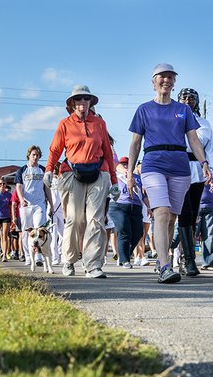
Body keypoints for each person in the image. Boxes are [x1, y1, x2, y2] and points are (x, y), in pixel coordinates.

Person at [127, 64, 211, 284]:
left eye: (171, 77)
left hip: (180, 167)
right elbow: (135, 143)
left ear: (174, 83)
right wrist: (129, 174)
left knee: (172, 216)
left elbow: (193, 138)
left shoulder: (183, 110)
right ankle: (165, 266)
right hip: (153, 164)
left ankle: (161, 260)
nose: (166, 80)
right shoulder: (144, 109)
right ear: (154, 81)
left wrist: (204, 163)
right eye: (162, 77)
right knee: (162, 212)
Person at [44, 85, 117, 279]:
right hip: (72, 173)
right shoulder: (65, 124)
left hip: (99, 173)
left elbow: (108, 153)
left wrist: (115, 180)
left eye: (86, 99)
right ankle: (69, 260)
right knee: (74, 219)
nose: (82, 102)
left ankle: (93, 264)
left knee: (95, 219)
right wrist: (49, 170)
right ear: (72, 104)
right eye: (78, 99)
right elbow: (55, 150)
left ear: (90, 102)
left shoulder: (99, 123)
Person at [174, 87, 213, 276]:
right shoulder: (173, 119)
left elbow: (211, 146)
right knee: (183, 212)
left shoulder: (204, 123)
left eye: (191, 97)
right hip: (178, 166)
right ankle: (188, 260)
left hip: (197, 169)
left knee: (193, 214)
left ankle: (185, 257)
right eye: (184, 97)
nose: (187, 99)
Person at [15, 145, 53, 267]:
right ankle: (27, 256)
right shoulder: (22, 170)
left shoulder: (43, 170)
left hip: (39, 204)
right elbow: (18, 187)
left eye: (37, 155)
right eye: (33, 155)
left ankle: (38, 256)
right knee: (27, 231)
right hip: (26, 205)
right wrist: (21, 199)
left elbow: (47, 188)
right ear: (29, 155)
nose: (35, 157)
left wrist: (51, 204)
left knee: (39, 229)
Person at [110, 157, 151, 268]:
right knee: (124, 231)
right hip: (119, 206)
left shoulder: (138, 178)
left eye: (127, 164)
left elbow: (143, 195)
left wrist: (149, 207)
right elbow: (111, 193)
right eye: (123, 164)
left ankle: (124, 255)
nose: (126, 166)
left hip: (136, 206)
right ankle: (125, 260)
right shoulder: (116, 176)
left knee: (138, 233)